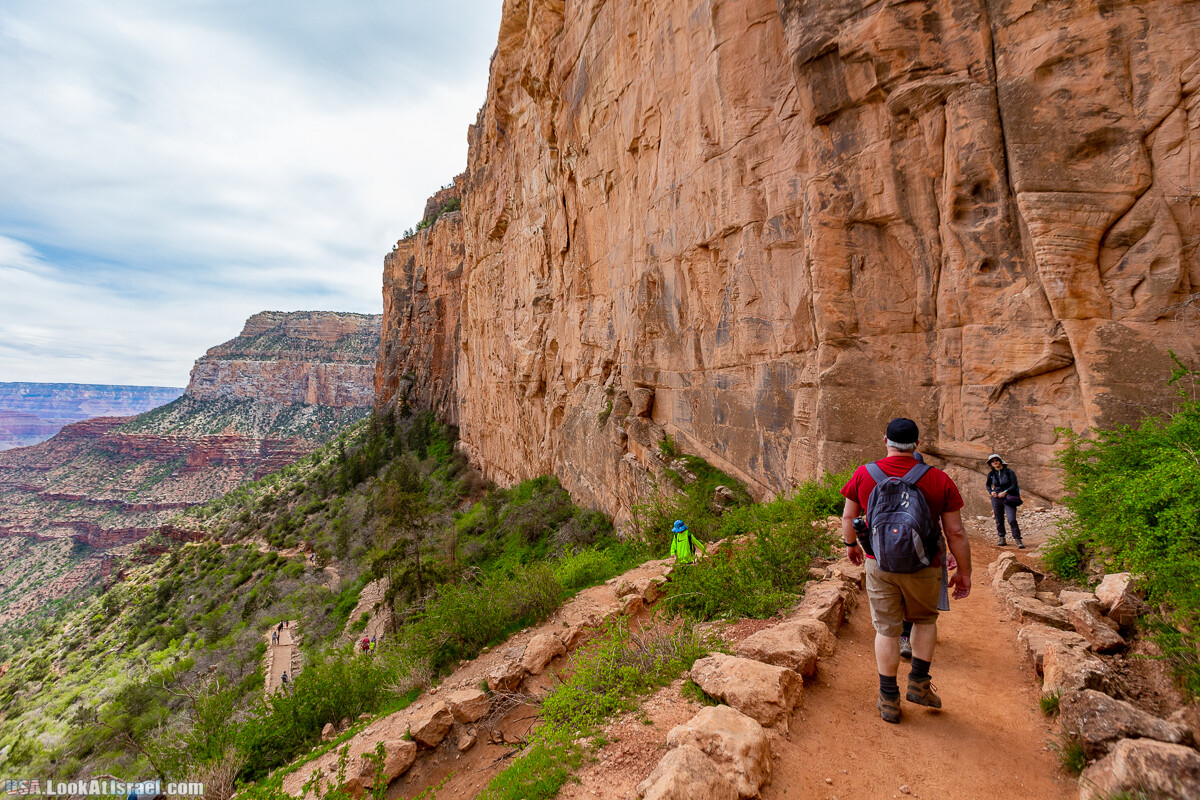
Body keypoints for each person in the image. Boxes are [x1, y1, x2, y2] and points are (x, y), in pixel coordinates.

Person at [841, 417, 972, 724]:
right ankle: (919, 683)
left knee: (886, 628)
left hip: (879, 562)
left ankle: (888, 699)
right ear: (917, 444)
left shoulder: (864, 474)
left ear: (885, 440)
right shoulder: (938, 478)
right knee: (924, 620)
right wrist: (964, 571)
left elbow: (849, 517)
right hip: (925, 565)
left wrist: (851, 545)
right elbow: (956, 533)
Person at [986, 453, 1023, 548]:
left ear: (1000, 461)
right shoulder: (991, 474)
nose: (995, 462)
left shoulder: (1009, 472)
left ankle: (1018, 539)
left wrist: (1005, 492)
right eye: (992, 461)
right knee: (999, 519)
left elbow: (1014, 485)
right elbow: (988, 485)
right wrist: (991, 492)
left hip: (1009, 497)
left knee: (1012, 519)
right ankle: (1001, 538)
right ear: (990, 463)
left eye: (996, 460)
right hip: (996, 498)